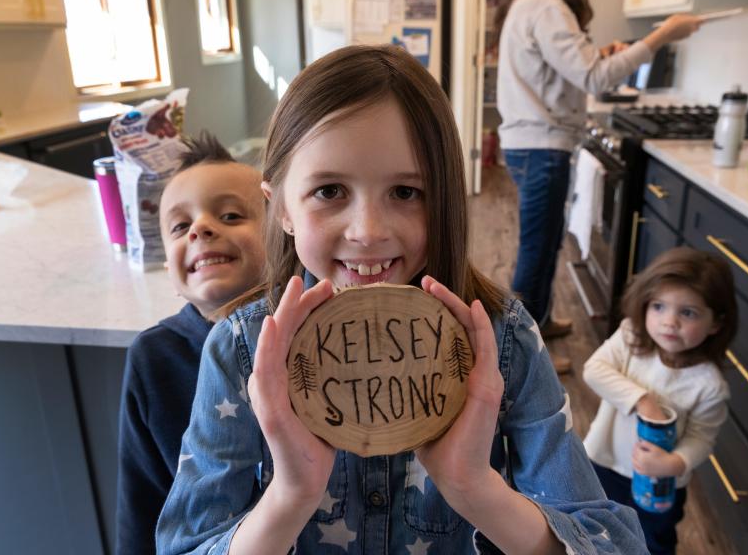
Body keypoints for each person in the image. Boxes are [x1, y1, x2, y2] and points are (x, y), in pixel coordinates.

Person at [155, 44, 647, 554]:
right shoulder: (240, 350)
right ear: (279, 208)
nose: (368, 232)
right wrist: (290, 496)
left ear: (446, 199)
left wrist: (475, 488)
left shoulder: (503, 340)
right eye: (329, 191)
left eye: (407, 193)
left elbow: (616, 543)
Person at [493, 0, 703, 345]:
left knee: (545, 246)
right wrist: (661, 35)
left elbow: (566, 66)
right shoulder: (548, 6)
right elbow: (595, 78)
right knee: (536, 253)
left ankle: (541, 323)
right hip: (540, 147)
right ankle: (518, 359)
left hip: (530, 144)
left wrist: (597, 54)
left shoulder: (531, 1)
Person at [115, 134, 266, 555]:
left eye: (232, 215)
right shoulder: (153, 358)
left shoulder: (315, 334)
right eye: (180, 227)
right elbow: (141, 504)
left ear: (284, 236)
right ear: (168, 266)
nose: (200, 228)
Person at [582, 247, 738, 555]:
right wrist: (642, 400)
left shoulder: (708, 385)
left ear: (716, 323)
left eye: (688, 313)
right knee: (597, 529)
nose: (669, 322)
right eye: (659, 306)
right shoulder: (630, 338)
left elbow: (701, 438)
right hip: (605, 462)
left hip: (659, 482)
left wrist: (674, 463)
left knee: (653, 542)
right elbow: (594, 370)